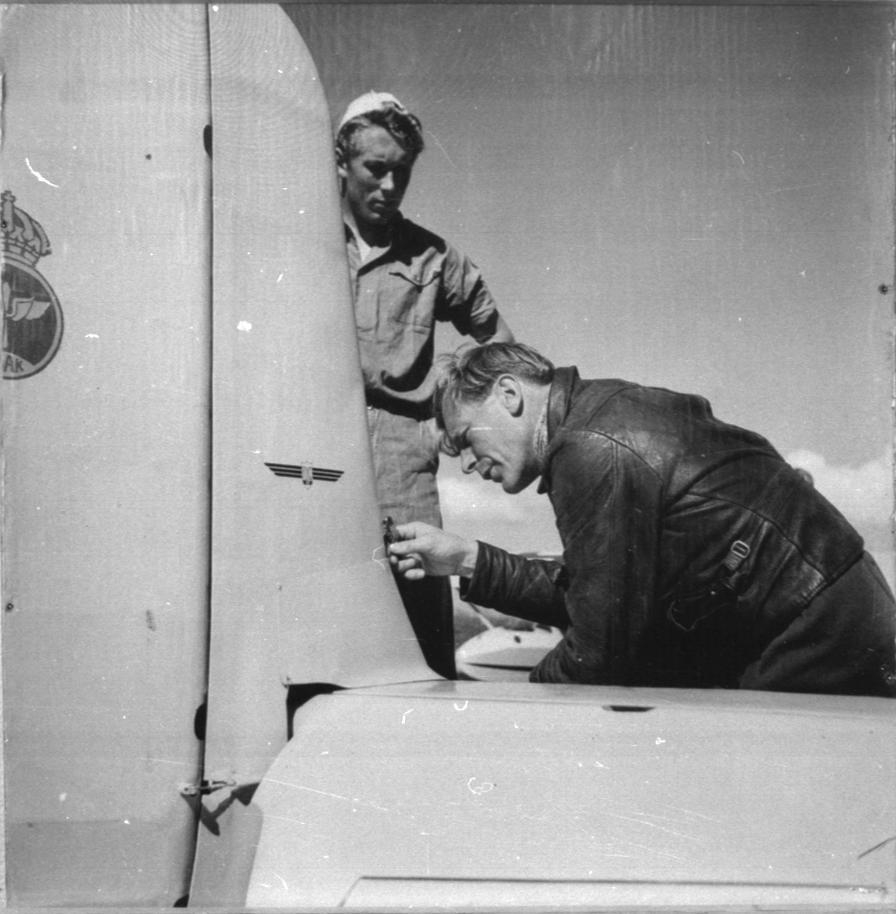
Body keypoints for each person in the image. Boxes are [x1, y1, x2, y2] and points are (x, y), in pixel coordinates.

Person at [388, 341, 896, 696]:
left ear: (509, 394)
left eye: (466, 439)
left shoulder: (591, 451)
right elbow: (595, 596)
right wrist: (465, 558)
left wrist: (522, 711)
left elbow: (598, 651)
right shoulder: (601, 414)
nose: (468, 464)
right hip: (827, 613)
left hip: (812, 635)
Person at [335, 92, 514, 678]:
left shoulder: (435, 258)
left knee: (417, 601)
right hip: (313, 442)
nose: (389, 186)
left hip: (402, 456)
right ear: (341, 163)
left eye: (402, 173)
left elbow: (500, 345)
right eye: (375, 168)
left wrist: (458, 422)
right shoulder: (299, 243)